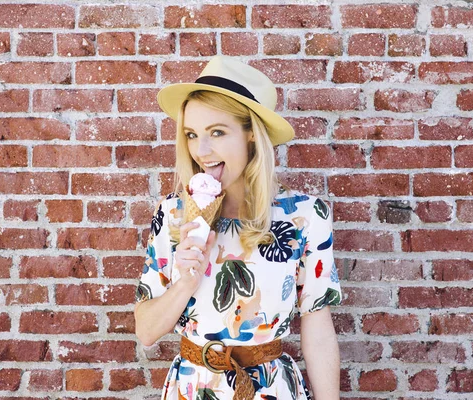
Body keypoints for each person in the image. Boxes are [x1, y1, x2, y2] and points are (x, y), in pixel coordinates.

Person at [134, 56, 342, 400]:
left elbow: (317, 327)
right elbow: (146, 331)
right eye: (191, 134)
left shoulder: (304, 216)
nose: (201, 151)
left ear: (250, 135)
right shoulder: (173, 213)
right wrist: (185, 280)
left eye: (217, 132)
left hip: (271, 390)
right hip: (195, 388)